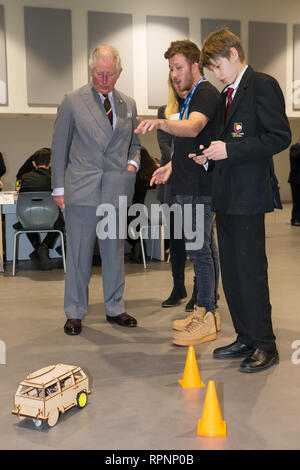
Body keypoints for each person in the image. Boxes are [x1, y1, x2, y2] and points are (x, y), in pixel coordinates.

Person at [195, 27, 291, 372]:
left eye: (219, 67)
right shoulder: (227, 94)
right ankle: (245, 336)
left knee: (251, 272)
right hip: (226, 195)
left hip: (250, 196)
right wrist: (210, 154)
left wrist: (230, 150)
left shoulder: (262, 85)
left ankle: (266, 344)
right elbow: (225, 143)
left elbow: (279, 136)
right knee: (233, 274)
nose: (217, 75)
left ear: (233, 54)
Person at [135, 39, 221, 346]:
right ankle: (204, 310)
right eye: (171, 68)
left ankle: (207, 315)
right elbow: (188, 144)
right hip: (186, 182)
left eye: (178, 67)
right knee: (202, 250)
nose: (174, 74)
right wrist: (170, 166)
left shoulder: (206, 94)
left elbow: (194, 129)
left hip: (199, 188)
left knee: (200, 252)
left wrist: (160, 122)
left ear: (195, 65)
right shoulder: (190, 97)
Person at [51, 45, 141, 336]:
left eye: (109, 74)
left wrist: (132, 164)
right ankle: (75, 312)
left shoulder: (129, 104)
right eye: (99, 73)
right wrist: (58, 189)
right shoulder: (72, 101)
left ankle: (115, 308)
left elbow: (135, 145)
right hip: (82, 190)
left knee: (114, 253)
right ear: (91, 71)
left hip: (115, 189)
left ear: (119, 72)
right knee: (79, 254)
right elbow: (59, 147)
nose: (104, 79)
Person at [157, 76, 196, 311]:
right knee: (176, 239)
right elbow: (165, 145)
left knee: (198, 240)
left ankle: (201, 289)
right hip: (171, 185)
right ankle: (178, 287)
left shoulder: (197, 110)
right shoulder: (165, 111)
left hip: (194, 183)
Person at [17, 148, 65, 270]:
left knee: (24, 219)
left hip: (27, 219)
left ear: (33, 163)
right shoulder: (55, 179)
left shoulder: (25, 177)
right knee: (59, 220)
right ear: (50, 163)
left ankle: (37, 246)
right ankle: (44, 246)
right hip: (50, 217)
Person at [127, 146, 159, 263]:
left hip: (136, 215)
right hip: (158, 216)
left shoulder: (133, 177)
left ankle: (135, 244)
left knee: (118, 219)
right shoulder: (156, 176)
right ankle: (138, 244)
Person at [288, 140, 300, 226]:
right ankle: (295, 219)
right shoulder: (294, 147)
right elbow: (294, 157)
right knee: (297, 201)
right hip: (295, 179)